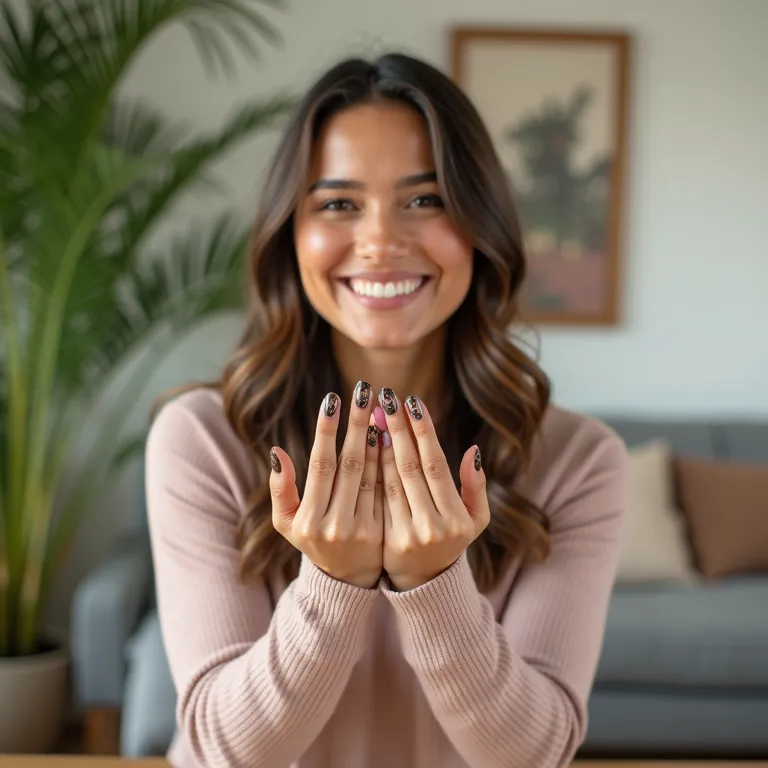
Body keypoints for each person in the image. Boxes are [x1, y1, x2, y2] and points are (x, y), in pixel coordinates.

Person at [146, 52, 629, 768]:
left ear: (480, 224)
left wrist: (436, 585)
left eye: (425, 199)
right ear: (290, 234)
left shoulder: (577, 463)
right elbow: (223, 751)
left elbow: (537, 755)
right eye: (338, 203)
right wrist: (333, 584)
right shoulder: (202, 441)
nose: (378, 242)